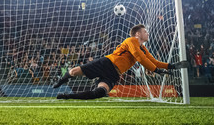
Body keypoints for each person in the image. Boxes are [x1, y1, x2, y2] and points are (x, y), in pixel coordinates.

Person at [53, 24, 189, 100]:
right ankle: (61, 80)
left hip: (114, 74)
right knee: (73, 72)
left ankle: (68, 96)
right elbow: (139, 57)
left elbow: (154, 61)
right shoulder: (131, 41)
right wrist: (155, 70)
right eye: (145, 31)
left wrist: (172, 66)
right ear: (137, 34)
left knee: (100, 92)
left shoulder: (143, 48)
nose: (147, 33)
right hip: (106, 63)